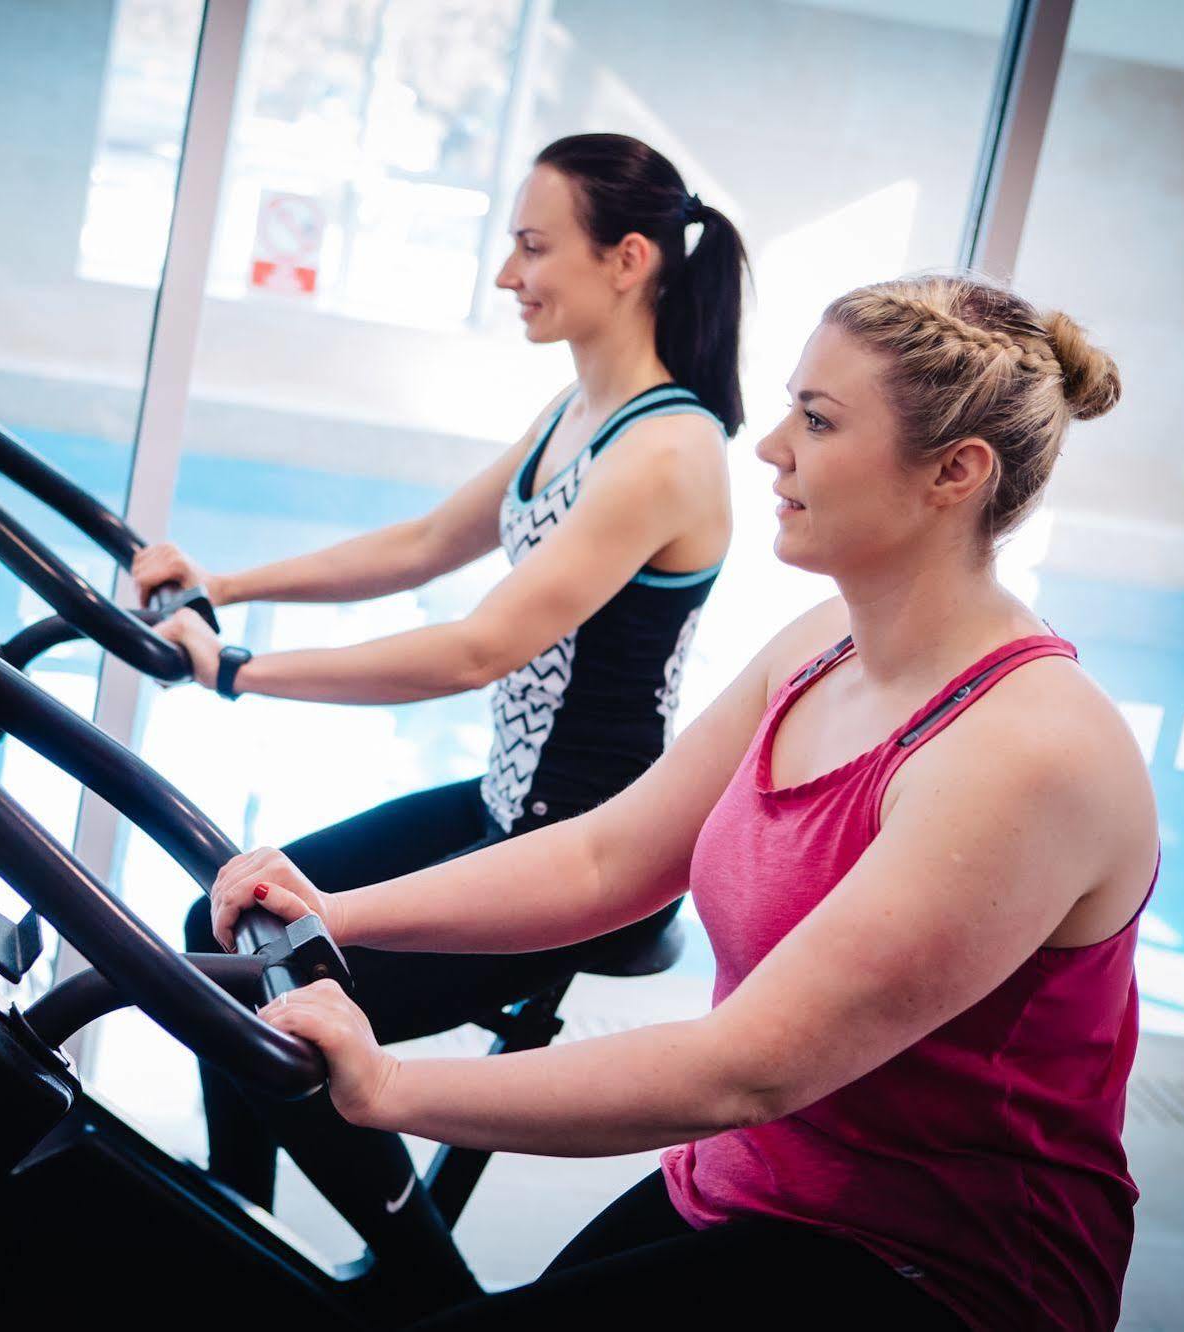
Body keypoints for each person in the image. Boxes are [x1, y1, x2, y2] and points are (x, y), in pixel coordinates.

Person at [211, 273, 1153, 1330]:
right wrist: (339, 909)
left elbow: (744, 1071)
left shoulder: (1023, 756)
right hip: (756, 1184)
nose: (770, 447)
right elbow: (607, 861)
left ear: (954, 473)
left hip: (938, 1270)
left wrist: (388, 1089)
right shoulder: (821, 647)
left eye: (819, 420)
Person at [138, 132, 750, 1213]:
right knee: (222, 934)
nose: (509, 276)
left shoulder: (665, 449)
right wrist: (223, 586)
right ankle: (234, 1219)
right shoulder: (575, 415)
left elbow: (480, 648)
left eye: (531, 247)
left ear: (628, 260)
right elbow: (423, 543)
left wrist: (235, 672)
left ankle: (386, 1280)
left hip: (581, 855)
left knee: (275, 998)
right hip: (506, 807)